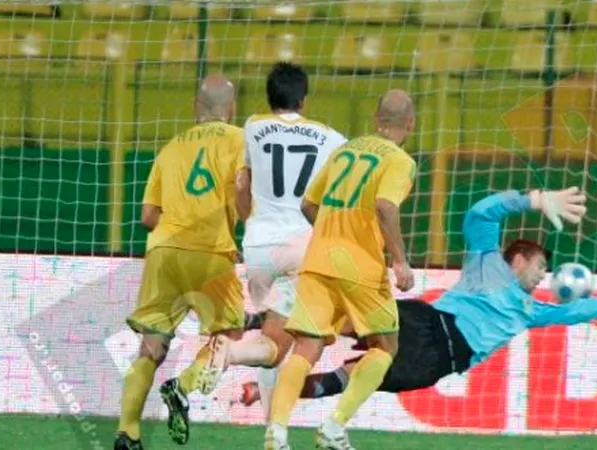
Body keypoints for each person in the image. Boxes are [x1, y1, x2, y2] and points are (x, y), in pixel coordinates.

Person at [237, 188, 597, 404]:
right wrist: (534, 200)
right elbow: (480, 213)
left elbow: (572, 314)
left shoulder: (530, 311)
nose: (543, 276)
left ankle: (270, 394)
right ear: (519, 258)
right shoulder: (485, 261)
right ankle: (255, 321)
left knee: (343, 382)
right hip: (429, 322)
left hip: (438, 362)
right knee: (334, 321)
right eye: (540, 266)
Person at [265, 90, 417, 450]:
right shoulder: (400, 160)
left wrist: (332, 236)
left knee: (306, 347)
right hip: (361, 265)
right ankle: (334, 427)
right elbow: (384, 206)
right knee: (385, 346)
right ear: (410, 124)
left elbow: (308, 204)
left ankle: (277, 432)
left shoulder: (344, 150)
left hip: (319, 260)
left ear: (375, 117)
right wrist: (399, 259)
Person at [195, 62, 347, 421]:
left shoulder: (252, 126)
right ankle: (230, 354)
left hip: (259, 246)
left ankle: (271, 430)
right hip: (302, 245)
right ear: (304, 100)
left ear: (269, 96)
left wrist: (248, 219)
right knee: (291, 343)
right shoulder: (332, 138)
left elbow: (242, 185)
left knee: (272, 338)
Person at [114, 74, 247, 450]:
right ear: (232, 108)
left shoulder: (170, 147)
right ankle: (182, 386)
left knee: (151, 346)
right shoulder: (239, 140)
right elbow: (241, 188)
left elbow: (147, 215)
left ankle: (127, 432)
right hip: (210, 253)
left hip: (163, 253)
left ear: (195, 106)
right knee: (230, 335)